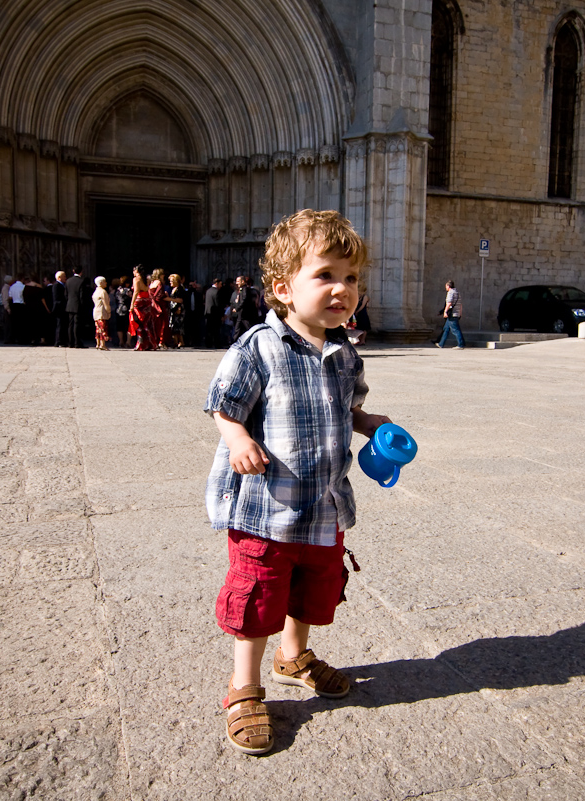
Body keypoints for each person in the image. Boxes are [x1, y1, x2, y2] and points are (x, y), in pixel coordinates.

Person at [204, 209, 392, 755]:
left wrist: (367, 423)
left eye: (352, 277)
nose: (344, 289)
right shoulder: (258, 347)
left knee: (312, 589)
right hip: (266, 507)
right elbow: (223, 405)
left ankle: (295, 654)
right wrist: (238, 440)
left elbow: (348, 406)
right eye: (327, 275)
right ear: (284, 289)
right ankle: (245, 687)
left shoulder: (344, 353)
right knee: (259, 593)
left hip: (323, 505)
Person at [128, 264, 158, 350]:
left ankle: (140, 344)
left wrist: (132, 304)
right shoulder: (146, 279)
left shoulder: (136, 279)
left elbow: (136, 291)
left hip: (139, 302)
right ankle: (151, 343)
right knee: (147, 323)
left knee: (139, 323)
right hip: (147, 301)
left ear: (136, 271)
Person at [436, 279, 465, 349]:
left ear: (448, 286)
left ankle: (461, 344)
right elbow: (460, 305)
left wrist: (445, 312)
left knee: (455, 330)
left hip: (452, 314)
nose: (445, 288)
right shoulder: (457, 293)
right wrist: (460, 313)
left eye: (446, 286)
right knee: (446, 329)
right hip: (456, 313)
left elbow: (449, 303)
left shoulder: (451, 293)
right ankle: (441, 343)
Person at [65, 267, 87, 348]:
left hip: (70, 305)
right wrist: (82, 306)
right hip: (78, 305)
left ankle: (70, 342)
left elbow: (66, 294)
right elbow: (82, 296)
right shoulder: (81, 281)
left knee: (70, 324)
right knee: (77, 324)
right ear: (81, 272)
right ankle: (77, 342)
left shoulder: (68, 281)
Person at [149, 269, 170, 348]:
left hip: (153, 305)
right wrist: (168, 297)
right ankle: (161, 341)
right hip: (159, 305)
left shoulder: (151, 283)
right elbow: (159, 296)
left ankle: (155, 341)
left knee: (155, 324)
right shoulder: (159, 283)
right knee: (163, 324)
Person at [92, 275, 111, 350]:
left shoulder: (95, 291)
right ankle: (102, 344)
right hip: (102, 312)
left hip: (96, 311)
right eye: (104, 282)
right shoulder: (103, 292)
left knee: (98, 328)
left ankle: (98, 343)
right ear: (100, 283)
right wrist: (109, 311)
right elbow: (106, 303)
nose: (106, 283)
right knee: (103, 328)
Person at [167, 273, 186, 348]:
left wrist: (169, 299)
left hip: (178, 308)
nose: (170, 282)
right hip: (173, 308)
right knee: (174, 326)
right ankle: (178, 341)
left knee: (177, 326)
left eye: (172, 281)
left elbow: (181, 300)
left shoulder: (180, 289)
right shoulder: (173, 289)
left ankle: (179, 342)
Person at [204, 277, 224, 348]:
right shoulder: (217, 292)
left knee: (209, 329)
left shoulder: (208, 291)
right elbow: (218, 304)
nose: (221, 286)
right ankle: (217, 344)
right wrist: (222, 314)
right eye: (220, 284)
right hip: (215, 314)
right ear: (216, 284)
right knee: (216, 330)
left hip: (208, 313)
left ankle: (208, 344)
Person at [114, 275, 132, 348]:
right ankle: (128, 341)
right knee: (128, 325)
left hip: (118, 309)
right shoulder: (128, 291)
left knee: (119, 326)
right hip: (126, 308)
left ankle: (121, 341)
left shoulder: (117, 290)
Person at [8, 274, 27, 344]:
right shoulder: (23, 286)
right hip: (21, 305)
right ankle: (21, 338)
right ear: (22, 279)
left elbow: (10, 297)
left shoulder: (12, 287)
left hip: (14, 305)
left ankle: (14, 338)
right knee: (22, 322)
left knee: (15, 322)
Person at [51, 271, 68, 347]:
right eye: (64, 276)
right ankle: (58, 341)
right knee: (60, 325)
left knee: (63, 325)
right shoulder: (56, 285)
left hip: (63, 308)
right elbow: (57, 298)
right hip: (59, 308)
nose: (65, 278)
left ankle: (63, 340)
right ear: (59, 278)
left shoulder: (63, 285)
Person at [0, 274, 13, 344]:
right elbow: (5, 299)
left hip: (7, 307)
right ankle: (7, 339)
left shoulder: (8, 287)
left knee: (9, 324)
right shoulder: (6, 288)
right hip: (6, 308)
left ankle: (9, 338)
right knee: (7, 324)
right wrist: (8, 308)